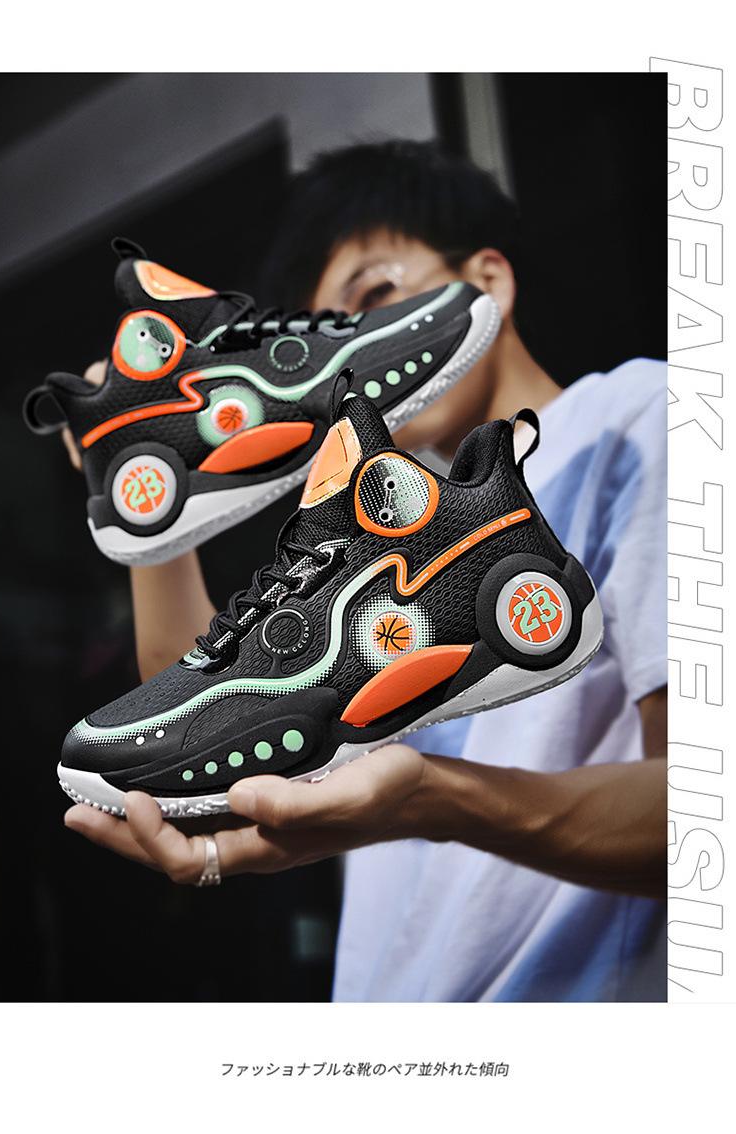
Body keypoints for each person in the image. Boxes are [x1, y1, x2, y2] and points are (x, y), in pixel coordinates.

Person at [64, 140, 667, 1002]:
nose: (352, 361)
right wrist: (154, 490)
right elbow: (210, 715)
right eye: (328, 336)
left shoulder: (637, 419)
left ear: (487, 281)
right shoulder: (384, 510)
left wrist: (438, 800)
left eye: (374, 299)